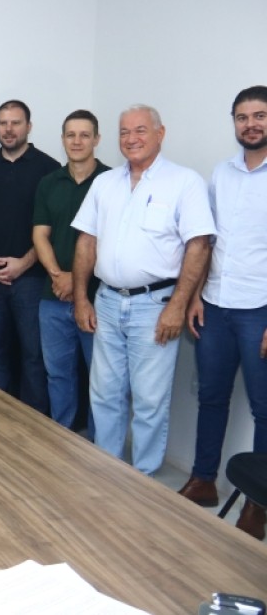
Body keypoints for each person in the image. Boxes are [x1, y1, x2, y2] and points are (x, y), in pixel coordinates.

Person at [72, 104, 213, 475]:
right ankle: (106, 470)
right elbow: (86, 242)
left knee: (150, 400)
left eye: (140, 130)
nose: (131, 139)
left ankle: (144, 478)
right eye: (124, 132)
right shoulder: (104, 183)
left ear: (160, 134)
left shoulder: (184, 182)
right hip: (106, 301)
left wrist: (177, 305)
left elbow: (199, 245)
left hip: (155, 305)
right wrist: (81, 298)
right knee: (104, 394)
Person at [178, 86, 267, 540]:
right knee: (211, 397)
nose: (251, 124)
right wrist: (195, 295)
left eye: (259, 116)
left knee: (264, 409)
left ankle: (258, 503)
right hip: (215, 303)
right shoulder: (221, 173)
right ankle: (203, 480)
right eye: (242, 117)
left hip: (259, 309)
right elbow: (207, 240)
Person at [0, 100, 58, 412]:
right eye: (3, 123)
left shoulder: (49, 170)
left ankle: (34, 423)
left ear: (28, 127)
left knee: (34, 355)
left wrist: (24, 264)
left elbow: (52, 229)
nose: (8, 129)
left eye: (15, 123)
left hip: (31, 279)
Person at [32, 110, 109, 430]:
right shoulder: (49, 183)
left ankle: (98, 445)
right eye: (71, 135)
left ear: (97, 139)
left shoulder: (112, 182)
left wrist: (75, 281)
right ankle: (61, 437)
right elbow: (40, 235)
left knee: (101, 378)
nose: (77, 141)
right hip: (53, 297)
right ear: (62, 139)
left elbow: (112, 241)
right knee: (58, 375)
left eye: (84, 135)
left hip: (96, 299)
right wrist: (58, 276)